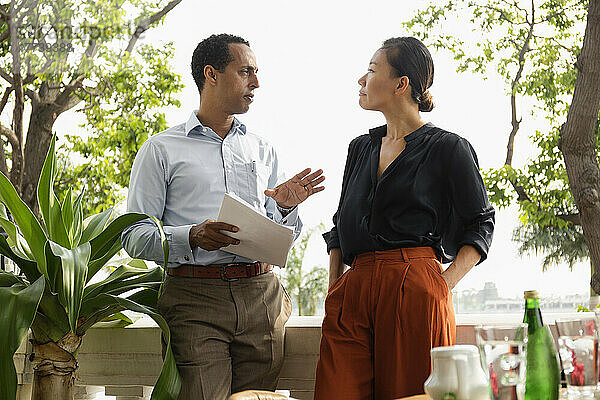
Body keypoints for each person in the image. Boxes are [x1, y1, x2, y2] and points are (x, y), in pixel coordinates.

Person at [121, 33, 325, 400]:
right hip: (194, 298)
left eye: (256, 72)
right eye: (245, 71)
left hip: (262, 298)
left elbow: (278, 236)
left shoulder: (262, 148)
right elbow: (134, 236)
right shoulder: (160, 149)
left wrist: (286, 207)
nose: (256, 83)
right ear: (211, 74)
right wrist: (192, 236)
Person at [314, 37, 495, 399]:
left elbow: (481, 223)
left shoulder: (448, 147)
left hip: (414, 288)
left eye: (371, 70)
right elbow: (341, 224)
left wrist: (442, 285)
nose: (361, 80)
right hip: (353, 289)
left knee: (410, 395)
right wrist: (335, 286)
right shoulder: (360, 148)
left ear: (401, 84)